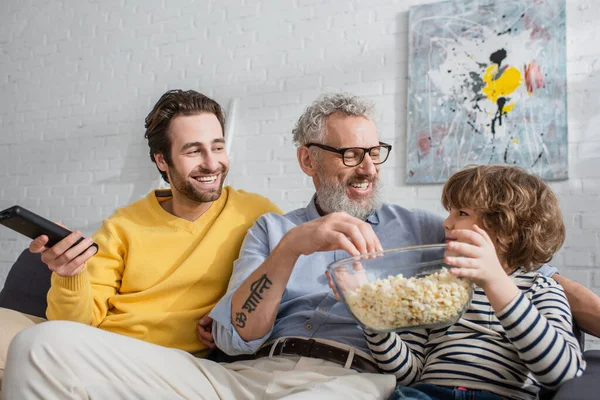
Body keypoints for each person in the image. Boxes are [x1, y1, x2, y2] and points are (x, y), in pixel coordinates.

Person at [0, 93, 593, 399]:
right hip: (246, 375)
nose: (365, 169)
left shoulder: (425, 227)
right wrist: (295, 248)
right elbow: (234, 335)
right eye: (347, 154)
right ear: (308, 160)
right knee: (43, 345)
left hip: (357, 380)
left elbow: (516, 260)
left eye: (374, 152)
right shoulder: (268, 227)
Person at [0, 89, 280, 385]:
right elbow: (74, 324)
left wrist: (227, 312)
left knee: (41, 343)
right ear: (162, 160)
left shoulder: (255, 214)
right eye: (194, 151)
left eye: (218, 147)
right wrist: (70, 273)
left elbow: (292, 278)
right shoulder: (123, 224)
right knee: (44, 340)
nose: (212, 163)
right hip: (100, 347)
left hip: (171, 363)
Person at [365, 165, 585, 400]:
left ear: (508, 229)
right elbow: (410, 372)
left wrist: (496, 281)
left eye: (461, 213)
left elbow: (563, 372)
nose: (446, 223)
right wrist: (376, 325)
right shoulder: (435, 287)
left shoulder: (540, 288)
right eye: (450, 212)